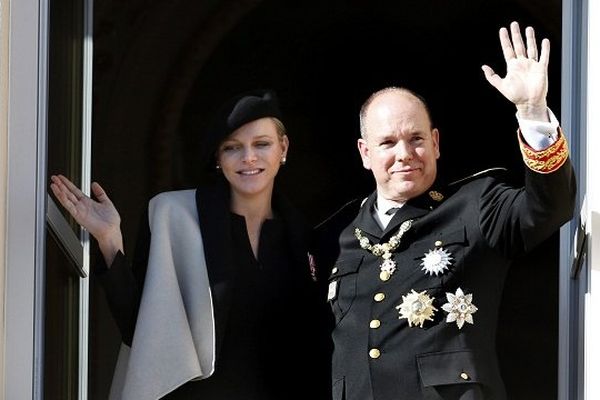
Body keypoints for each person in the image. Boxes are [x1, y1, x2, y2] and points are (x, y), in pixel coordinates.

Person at [313, 21, 576, 400]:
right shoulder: (334, 236)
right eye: (387, 142)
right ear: (365, 152)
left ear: (435, 143)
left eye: (416, 138)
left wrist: (532, 111)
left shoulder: (476, 204)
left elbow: (549, 207)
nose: (404, 154)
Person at [50, 89, 331, 400]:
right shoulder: (176, 217)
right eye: (232, 147)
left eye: (261, 144)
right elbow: (142, 330)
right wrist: (108, 239)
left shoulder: (307, 239)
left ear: (283, 148)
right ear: (218, 158)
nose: (249, 157)